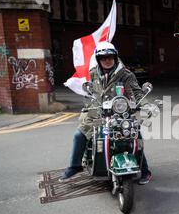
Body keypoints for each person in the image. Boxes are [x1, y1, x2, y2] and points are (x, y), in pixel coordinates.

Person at [60, 41, 152, 185]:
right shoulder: (93, 73)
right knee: (79, 135)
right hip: (97, 113)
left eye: (110, 57)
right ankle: (74, 166)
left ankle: (145, 170)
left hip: (120, 113)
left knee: (133, 137)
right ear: (98, 59)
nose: (107, 60)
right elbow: (92, 93)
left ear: (115, 57)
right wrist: (88, 105)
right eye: (103, 58)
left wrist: (146, 105)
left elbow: (137, 93)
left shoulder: (125, 75)